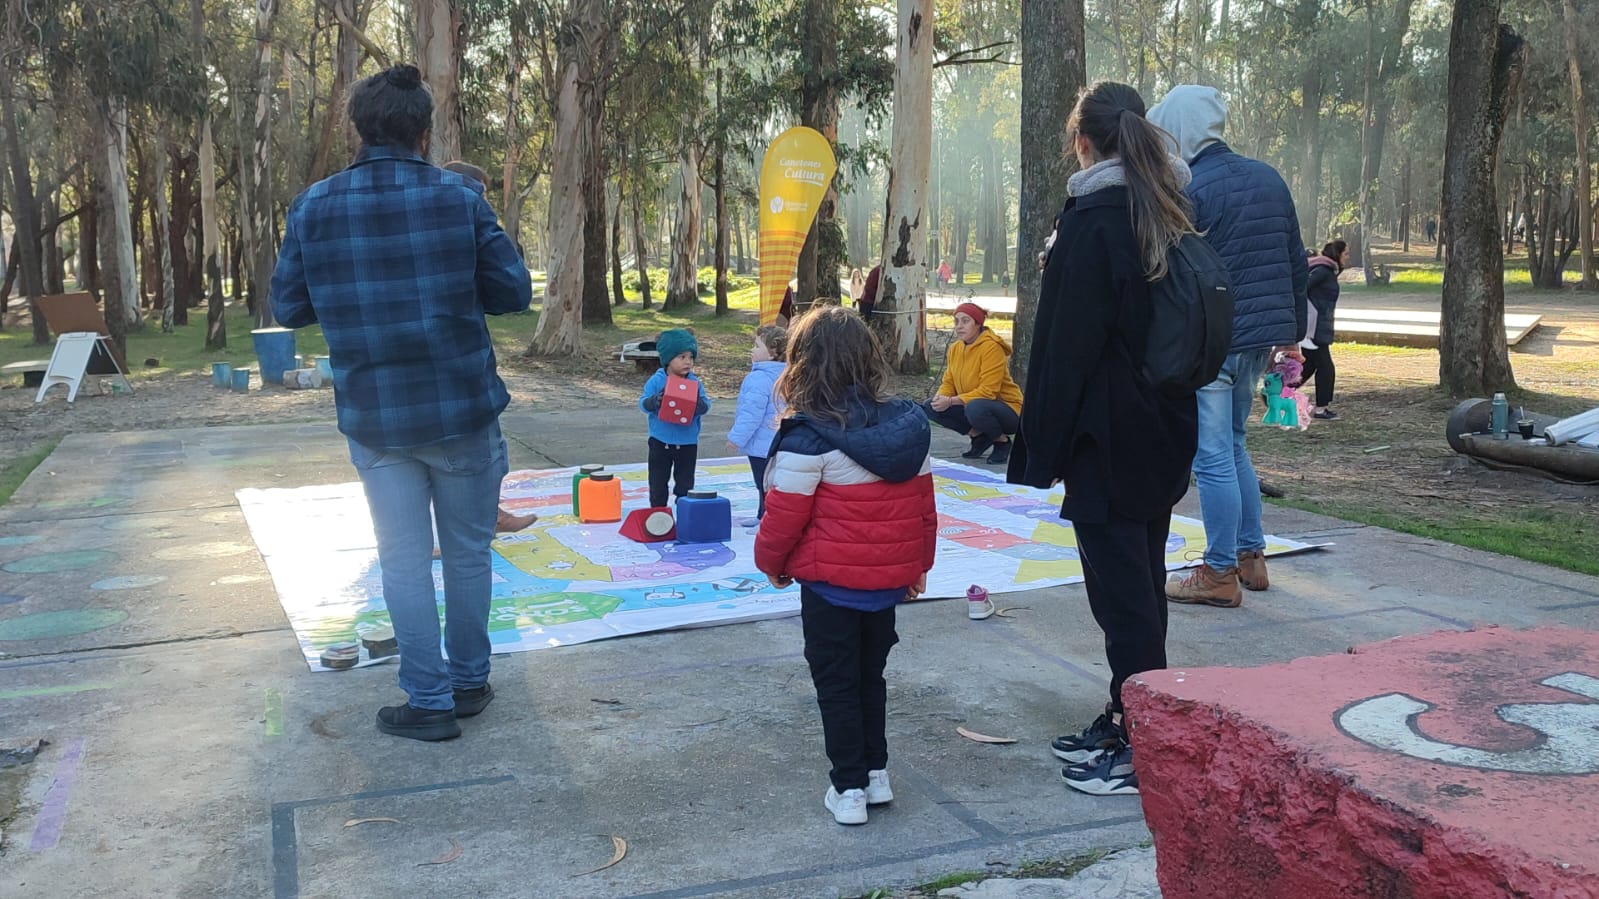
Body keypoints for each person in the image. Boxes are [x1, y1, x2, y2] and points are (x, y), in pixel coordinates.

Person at [271, 64, 532, 741]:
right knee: (470, 553)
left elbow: (287, 305)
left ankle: (428, 699)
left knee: (404, 560)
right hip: (463, 410)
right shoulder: (459, 197)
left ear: (359, 127)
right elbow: (511, 293)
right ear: (423, 131)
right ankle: (469, 681)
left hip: (376, 415)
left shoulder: (314, 205)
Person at [1008, 81, 1201, 797]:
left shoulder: (1094, 218)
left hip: (1108, 436)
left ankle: (1143, 741)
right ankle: (1131, 709)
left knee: (1122, 598)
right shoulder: (1167, 204)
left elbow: (1063, 350)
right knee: (1139, 582)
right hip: (1164, 424)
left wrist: (1039, 448)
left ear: (1082, 140)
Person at [755, 306, 938, 826]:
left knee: (836, 683)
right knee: (870, 676)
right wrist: (918, 565)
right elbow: (925, 509)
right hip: (885, 586)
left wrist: (769, 562)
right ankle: (875, 774)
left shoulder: (806, 438)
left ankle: (849, 787)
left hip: (829, 587)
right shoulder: (908, 427)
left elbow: (782, 520)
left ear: (803, 365)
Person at [1149, 84, 1308, 608]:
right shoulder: (1268, 177)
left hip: (1214, 343)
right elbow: (1293, 260)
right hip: (1260, 339)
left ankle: (1218, 572)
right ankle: (1250, 557)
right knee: (1236, 445)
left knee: (1212, 454)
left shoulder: (1192, 187)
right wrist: (1290, 338)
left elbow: (1172, 270)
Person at [441, 158, 537, 534]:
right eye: (480, 194)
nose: (485, 202)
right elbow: (515, 292)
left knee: (491, 455)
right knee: (477, 455)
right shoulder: (466, 218)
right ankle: (445, 531)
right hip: (456, 373)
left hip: (458, 368)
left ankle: (490, 513)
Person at [922, 302, 1023, 467]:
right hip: (974, 404)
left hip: (1009, 410)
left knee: (975, 407)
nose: (959, 326)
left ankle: (1002, 442)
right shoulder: (955, 348)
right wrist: (941, 398)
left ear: (978, 324)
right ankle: (979, 436)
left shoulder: (992, 348)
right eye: (956, 321)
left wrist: (952, 401)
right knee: (930, 406)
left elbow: (988, 392)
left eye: (965, 321)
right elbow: (949, 381)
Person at [640, 328, 712, 507]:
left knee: (685, 484)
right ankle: (658, 515)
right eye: (682, 357)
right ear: (668, 359)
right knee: (657, 483)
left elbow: (706, 406)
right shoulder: (656, 381)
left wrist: (697, 405)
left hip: (687, 443)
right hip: (659, 442)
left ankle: (685, 514)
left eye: (691, 357)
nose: (688, 362)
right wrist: (655, 401)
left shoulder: (694, 382)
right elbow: (642, 404)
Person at [726, 324, 788, 526]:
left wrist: (736, 438)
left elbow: (751, 414)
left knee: (762, 482)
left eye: (757, 345)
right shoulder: (788, 375)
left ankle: (767, 520)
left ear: (772, 354)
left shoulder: (759, 378)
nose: (752, 349)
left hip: (762, 445)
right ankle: (763, 515)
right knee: (771, 482)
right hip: (781, 441)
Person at [1301, 240, 1347, 420]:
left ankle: (1274, 393)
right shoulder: (1322, 271)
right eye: (1346, 254)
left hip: (1319, 327)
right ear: (1337, 254)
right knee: (1326, 368)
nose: (1347, 258)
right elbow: (1301, 288)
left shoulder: (1327, 271)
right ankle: (1320, 409)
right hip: (1314, 328)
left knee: (1309, 366)